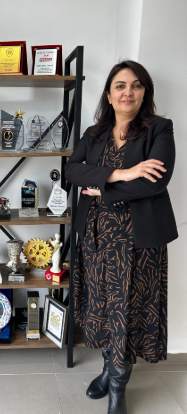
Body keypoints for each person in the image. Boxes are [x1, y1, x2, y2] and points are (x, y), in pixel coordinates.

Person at [65, 60, 177, 414]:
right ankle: (106, 369)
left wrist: (100, 186)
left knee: (128, 312)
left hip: (138, 241)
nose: (128, 92)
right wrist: (121, 173)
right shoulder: (94, 133)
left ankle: (117, 386)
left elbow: (154, 182)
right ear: (109, 95)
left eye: (136, 85)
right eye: (120, 85)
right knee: (103, 307)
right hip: (97, 238)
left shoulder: (159, 129)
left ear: (145, 93)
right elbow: (72, 170)